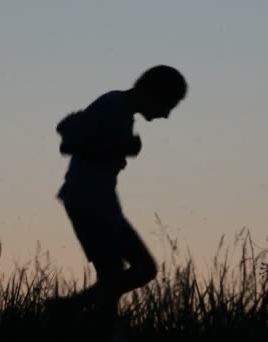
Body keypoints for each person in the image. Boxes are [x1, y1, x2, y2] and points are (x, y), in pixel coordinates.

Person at [53, 65, 188, 334]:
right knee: (144, 268)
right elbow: (69, 142)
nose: (166, 114)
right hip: (92, 203)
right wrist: (121, 147)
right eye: (168, 105)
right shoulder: (113, 105)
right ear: (152, 93)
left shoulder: (118, 109)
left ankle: (95, 328)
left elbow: (68, 125)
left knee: (111, 280)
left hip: (92, 201)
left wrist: (118, 145)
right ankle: (67, 308)